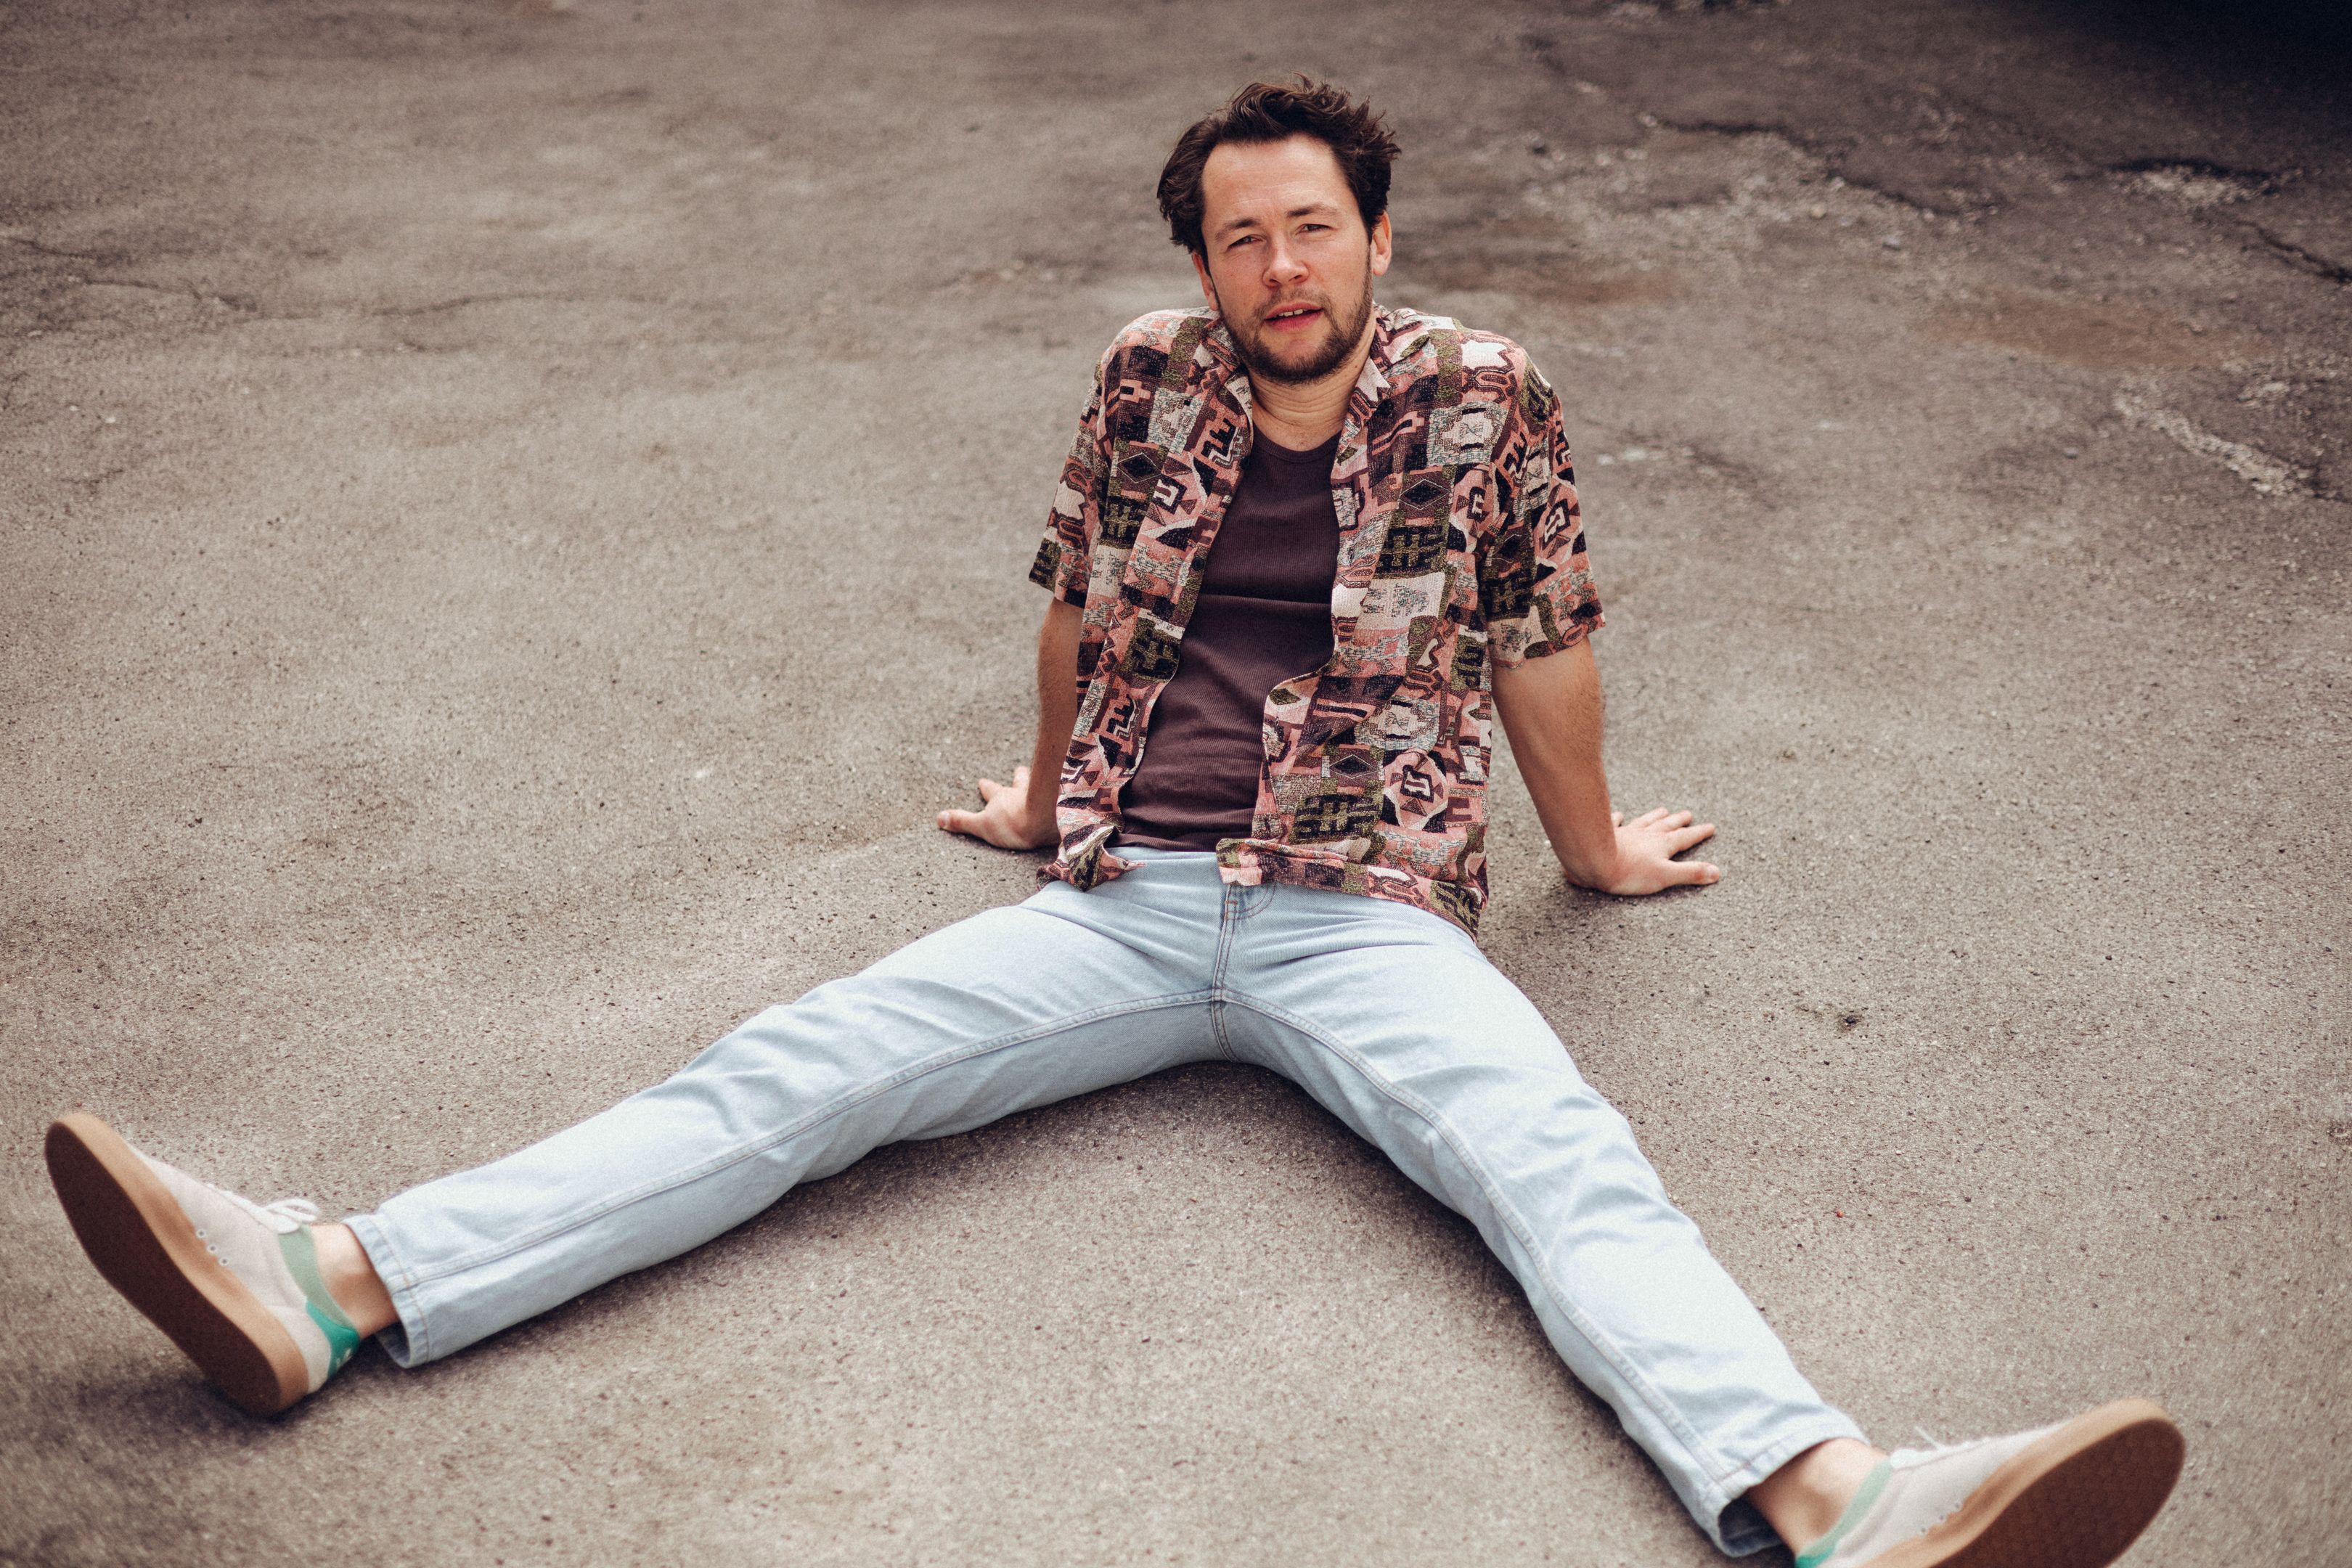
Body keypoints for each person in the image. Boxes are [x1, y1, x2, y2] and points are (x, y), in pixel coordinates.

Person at [43, 79, 2183, 1568]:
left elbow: (1546, 635)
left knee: (1561, 1166)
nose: (1279, 265)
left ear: (1377, 235)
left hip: (1365, 907)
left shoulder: (1486, 396)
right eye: (1241, 237)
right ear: (1203, 260)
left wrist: (1596, 852)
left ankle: (1836, 1504)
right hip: (1128, 897)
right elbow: (1078, 599)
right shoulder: (1146, 377)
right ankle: (332, 1284)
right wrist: (1051, 795)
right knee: (788, 1075)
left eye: (1312, 227)